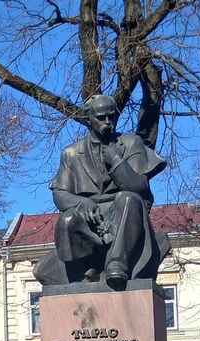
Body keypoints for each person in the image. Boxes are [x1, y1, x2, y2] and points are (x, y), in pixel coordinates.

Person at [34, 94, 169, 287]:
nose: (108, 122)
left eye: (111, 116)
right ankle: (83, 271)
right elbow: (60, 194)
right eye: (100, 117)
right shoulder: (71, 152)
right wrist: (82, 203)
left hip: (123, 213)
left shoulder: (131, 143)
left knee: (129, 198)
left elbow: (139, 187)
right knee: (67, 219)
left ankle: (117, 263)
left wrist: (116, 161)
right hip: (90, 219)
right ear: (88, 118)